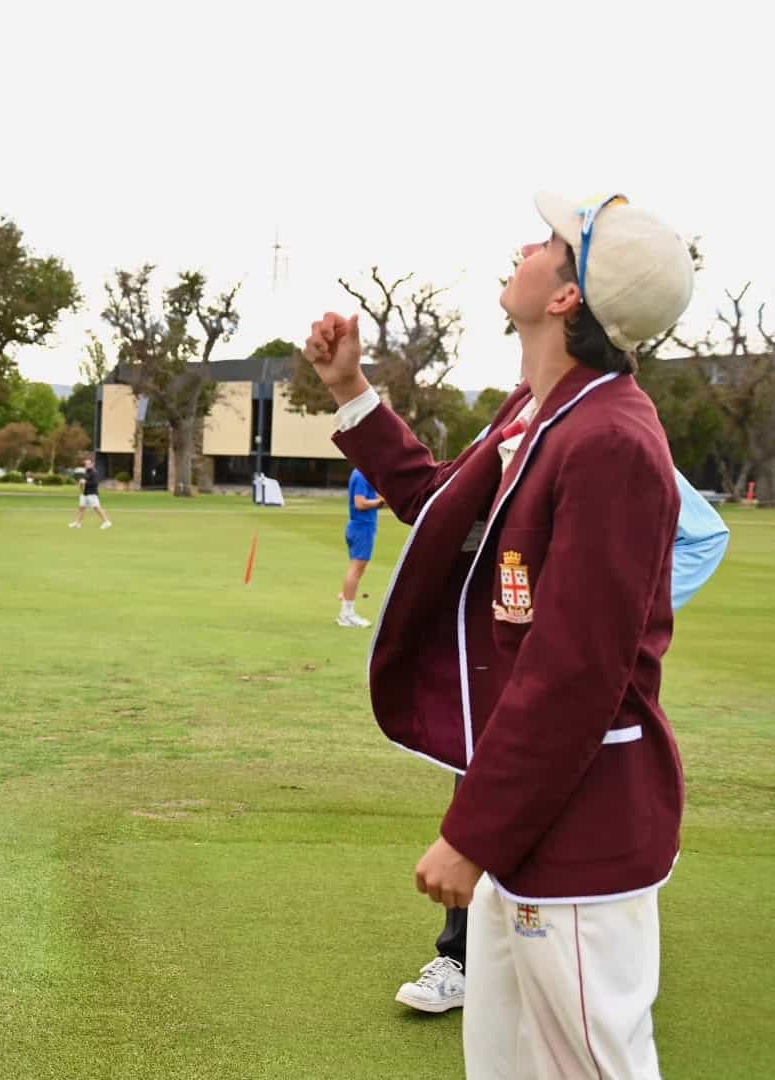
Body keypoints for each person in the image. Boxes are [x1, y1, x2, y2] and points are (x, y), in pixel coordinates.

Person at [305, 191, 694, 1078]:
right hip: (532, 827)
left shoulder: (611, 439)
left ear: (567, 295)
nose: (527, 245)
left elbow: (573, 674)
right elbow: (437, 501)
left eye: (550, 241)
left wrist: (474, 833)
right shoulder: (543, 408)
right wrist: (350, 390)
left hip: (580, 834)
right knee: (508, 1065)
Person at [395, 470, 730, 1015]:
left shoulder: (614, 438)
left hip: (586, 671)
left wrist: (624, 612)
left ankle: (590, 957)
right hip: (500, 656)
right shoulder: (506, 436)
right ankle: (463, 959)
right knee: (482, 790)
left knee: (588, 808)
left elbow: (705, 535)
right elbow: (440, 504)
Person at [338, 467, 383, 626]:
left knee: (357, 569)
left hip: (361, 527)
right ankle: (347, 614)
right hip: (362, 527)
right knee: (356, 569)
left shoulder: (363, 473)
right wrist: (380, 502)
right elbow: (360, 503)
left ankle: (346, 602)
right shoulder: (361, 475)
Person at [68, 455, 113, 529]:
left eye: (89, 464)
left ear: (92, 464)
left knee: (97, 508)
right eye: (86, 464)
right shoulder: (85, 472)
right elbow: (83, 482)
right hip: (84, 494)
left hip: (92, 494)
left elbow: (95, 483)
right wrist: (81, 484)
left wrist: (85, 482)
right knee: (81, 508)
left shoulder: (94, 473)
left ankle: (107, 522)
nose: (87, 465)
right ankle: (78, 523)